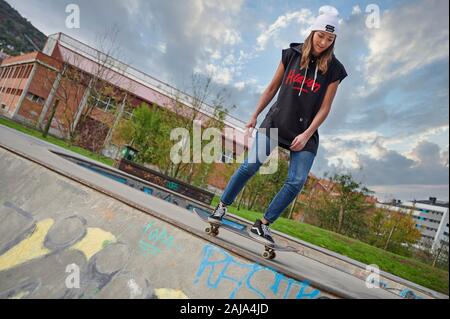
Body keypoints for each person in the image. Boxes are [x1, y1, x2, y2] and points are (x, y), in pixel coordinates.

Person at [208, 6, 348, 245]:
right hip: (276, 122)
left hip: (305, 132)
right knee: (250, 166)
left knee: (296, 181)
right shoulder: (291, 54)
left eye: (330, 38)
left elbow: (325, 107)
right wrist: (254, 115)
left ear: (334, 40)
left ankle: (263, 224)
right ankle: (222, 207)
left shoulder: (335, 69)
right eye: (320, 36)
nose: (324, 42)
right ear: (312, 32)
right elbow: (272, 88)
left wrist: (307, 134)